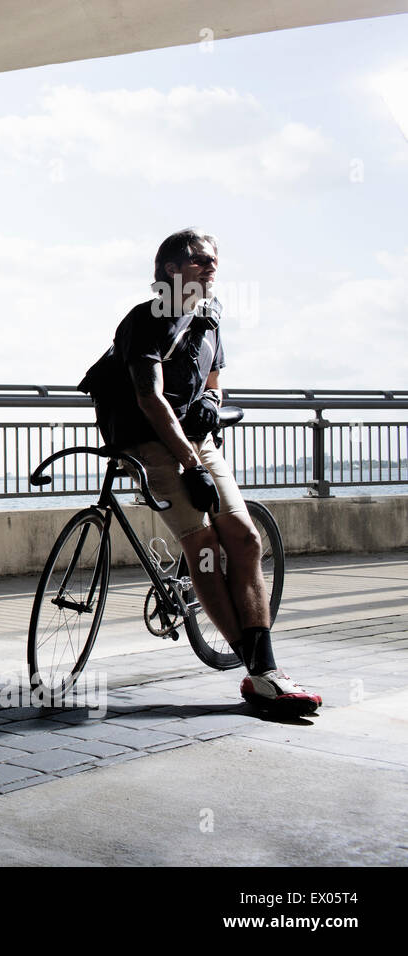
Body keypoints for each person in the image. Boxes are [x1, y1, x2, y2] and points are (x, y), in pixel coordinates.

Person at [79, 227, 321, 715]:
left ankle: (258, 666)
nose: (212, 270)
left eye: (214, 262)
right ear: (172, 269)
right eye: (201, 262)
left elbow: (213, 382)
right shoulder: (146, 320)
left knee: (246, 540)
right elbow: (149, 398)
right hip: (154, 441)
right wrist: (189, 464)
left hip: (199, 441)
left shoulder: (208, 318)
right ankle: (262, 674)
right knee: (205, 548)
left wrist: (211, 404)